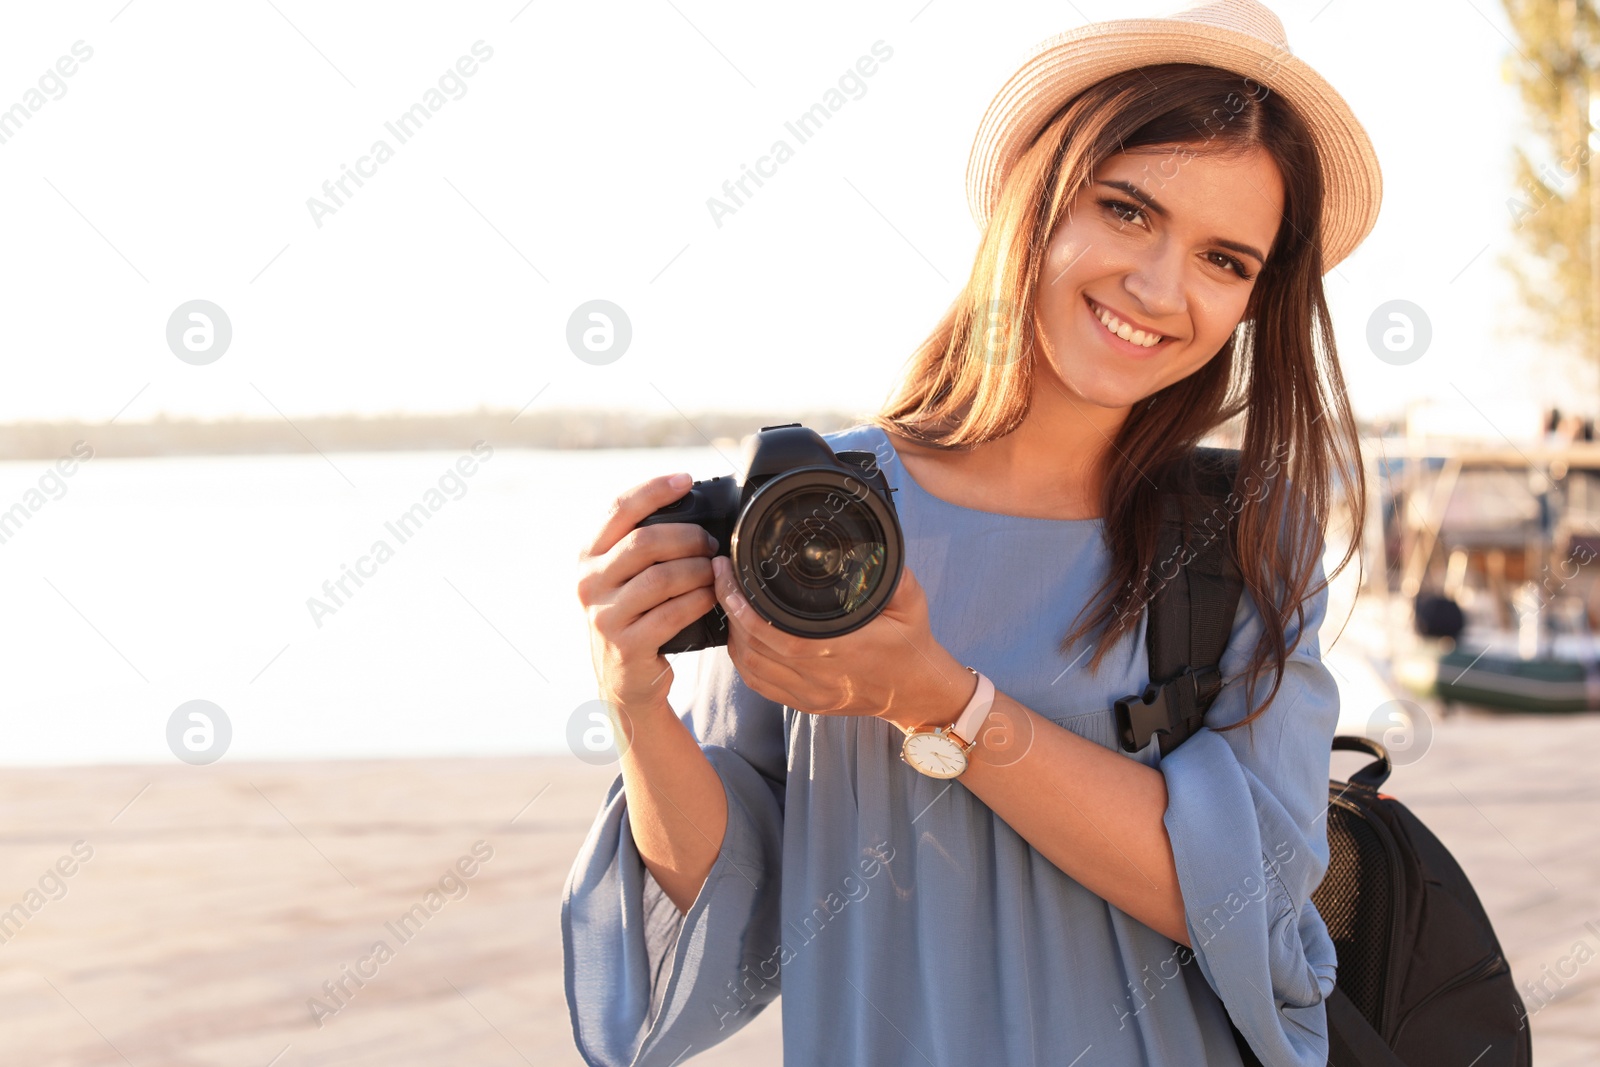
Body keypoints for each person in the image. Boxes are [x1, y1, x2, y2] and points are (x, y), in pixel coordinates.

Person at [564, 0, 1381, 1063]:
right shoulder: (822, 508)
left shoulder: (1241, 537)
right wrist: (635, 703)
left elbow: (1256, 903)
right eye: (1127, 210)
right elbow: (733, 902)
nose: (1159, 287)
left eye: (1225, 260)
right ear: (1031, 197)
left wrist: (938, 699)